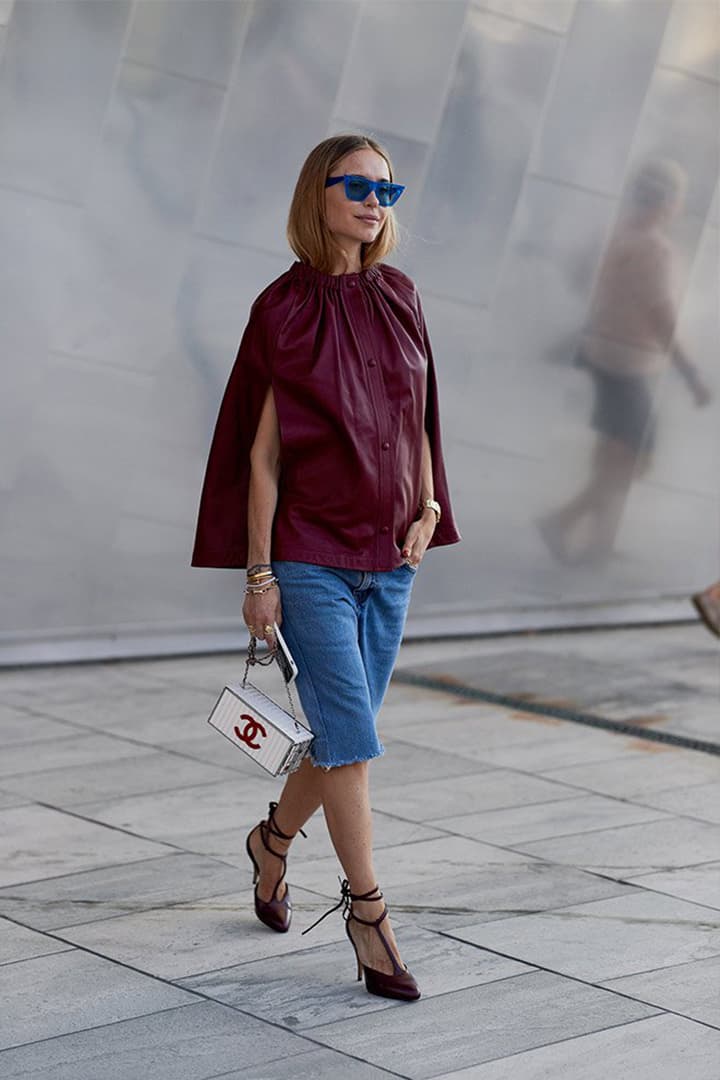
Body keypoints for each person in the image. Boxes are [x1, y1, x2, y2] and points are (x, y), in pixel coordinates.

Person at [192, 133, 460, 1001]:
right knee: (354, 742)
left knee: (346, 740)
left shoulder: (403, 296)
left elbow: (421, 417)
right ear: (320, 193)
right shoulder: (282, 309)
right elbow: (261, 455)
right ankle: (369, 913)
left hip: (392, 555)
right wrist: (258, 574)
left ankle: (271, 842)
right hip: (309, 556)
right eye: (359, 185)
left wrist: (426, 508)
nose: (377, 200)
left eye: (389, 188)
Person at [538, 159, 712, 565]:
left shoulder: (617, 236)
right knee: (638, 457)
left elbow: (581, 273)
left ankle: (600, 544)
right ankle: (561, 521)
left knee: (613, 453)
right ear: (669, 201)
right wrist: (692, 376)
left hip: (604, 354)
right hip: (628, 364)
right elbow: (663, 318)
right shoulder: (654, 249)